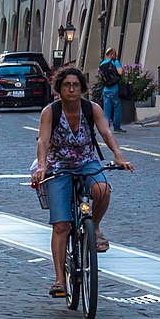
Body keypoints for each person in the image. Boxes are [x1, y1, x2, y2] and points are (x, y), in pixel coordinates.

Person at [31, 66, 133, 299]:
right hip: (58, 166)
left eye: (76, 85)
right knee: (61, 225)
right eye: (66, 85)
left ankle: (94, 227)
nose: (71, 89)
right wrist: (42, 165)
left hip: (87, 162)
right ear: (59, 89)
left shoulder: (92, 108)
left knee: (103, 189)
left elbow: (106, 133)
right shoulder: (51, 112)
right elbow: (43, 140)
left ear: (82, 88)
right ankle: (59, 280)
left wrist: (118, 155)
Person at [98, 48, 124, 133]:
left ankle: (106, 128)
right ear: (112, 54)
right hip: (114, 88)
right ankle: (116, 127)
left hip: (106, 89)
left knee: (106, 109)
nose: (116, 56)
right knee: (117, 108)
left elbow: (100, 76)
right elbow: (120, 72)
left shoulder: (102, 64)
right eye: (115, 54)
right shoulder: (115, 62)